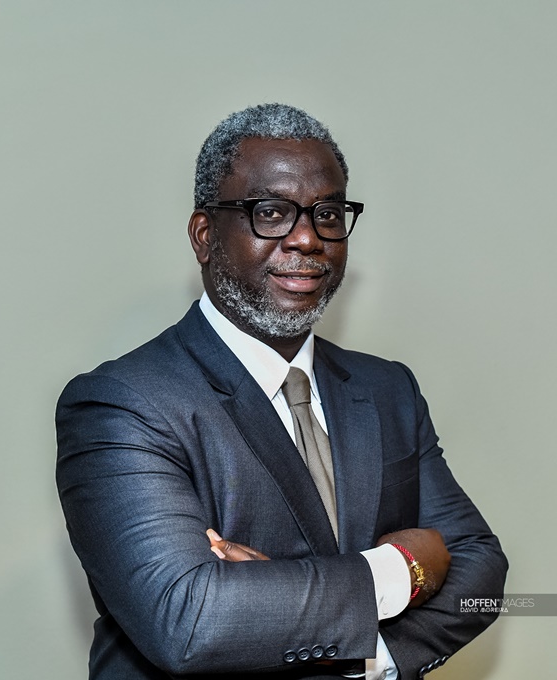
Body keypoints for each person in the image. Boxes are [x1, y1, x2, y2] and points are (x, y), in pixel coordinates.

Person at [56, 104, 507, 680]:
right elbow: (190, 621)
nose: (307, 238)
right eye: (270, 212)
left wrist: (364, 656)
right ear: (204, 235)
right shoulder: (122, 404)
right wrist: (403, 568)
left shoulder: (388, 389)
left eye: (328, 214)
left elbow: (480, 572)